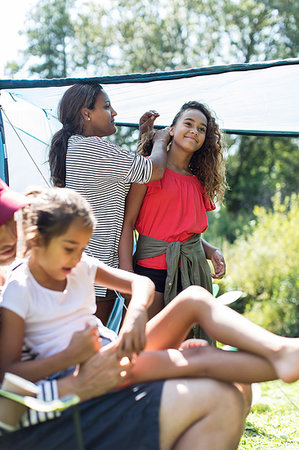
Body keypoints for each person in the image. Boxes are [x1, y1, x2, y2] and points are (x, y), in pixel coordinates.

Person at [0, 187, 299, 450]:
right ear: (36, 239)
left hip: (111, 349)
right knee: (200, 361)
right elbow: (9, 374)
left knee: (194, 298)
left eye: (82, 248)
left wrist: (135, 317)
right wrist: (68, 357)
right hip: (89, 369)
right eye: (69, 249)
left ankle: (281, 351)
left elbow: (141, 284)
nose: (78, 257)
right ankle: (283, 360)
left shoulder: (79, 266)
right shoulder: (19, 290)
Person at [49, 81, 171, 325]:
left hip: (88, 263)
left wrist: (144, 137)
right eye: (106, 106)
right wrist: (160, 140)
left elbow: (128, 175)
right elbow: (153, 170)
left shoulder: (77, 147)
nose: (114, 113)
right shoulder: (90, 147)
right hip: (93, 266)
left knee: (91, 340)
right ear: (86, 113)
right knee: (91, 343)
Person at [119, 101, 227, 331]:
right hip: (151, 271)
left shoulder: (199, 181)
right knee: (144, 345)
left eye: (201, 129)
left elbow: (183, 230)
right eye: (188, 124)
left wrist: (211, 251)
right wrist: (127, 277)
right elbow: (127, 224)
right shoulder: (149, 169)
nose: (194, 131)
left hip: (191, 271)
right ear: (171, 130)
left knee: (187, 351)